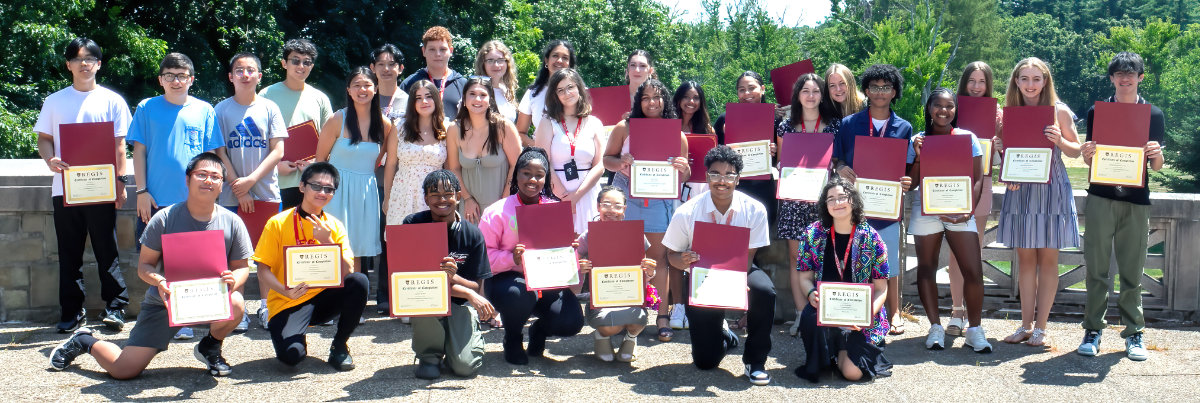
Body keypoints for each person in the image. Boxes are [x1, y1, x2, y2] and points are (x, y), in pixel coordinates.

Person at [50, 153, 252, 379]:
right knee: (123, 370)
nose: (208, 181)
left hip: (210, 299)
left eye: (215, 177)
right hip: (164, 304)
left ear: (222, 184)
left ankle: (211, 347)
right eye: (201, 174)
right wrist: (160, 281)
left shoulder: (232, 221)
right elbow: (144, 266)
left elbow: (242, 267)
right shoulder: (165, 219)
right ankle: (84, 340)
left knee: (236, 302)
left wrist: (234, 280)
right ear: (187, 180)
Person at [35, 38, 132, 333]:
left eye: (90, 58)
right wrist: (50, 159)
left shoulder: (112, 100)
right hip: (65, 188)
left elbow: (120, 147)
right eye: (77, 59)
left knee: (107, 250)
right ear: (69, 65)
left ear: (99, 63)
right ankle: (72, 311)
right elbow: (44, 139)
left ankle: (116, 307)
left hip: (102, 188)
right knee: (69, 253)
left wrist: (121, 183)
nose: (84, 63)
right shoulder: (54, 101)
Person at [128, 52, 225, 341]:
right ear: (161, 80)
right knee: (156, 263)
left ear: (191, 80)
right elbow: (139, 151)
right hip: (156, 200)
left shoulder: (205, 110)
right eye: (169, 75)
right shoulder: (147, 107)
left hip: (195, 202)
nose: (176, 80)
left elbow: (211, 157)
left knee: (192, 261)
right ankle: (163, 318)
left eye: (182, 75)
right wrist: (141, 192)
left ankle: (193, 317)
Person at [663, 145, 776, 386]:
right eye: (715, 174)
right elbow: (671, 256)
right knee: (705, 362)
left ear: (738, 178)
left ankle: (755, 361)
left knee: (764, 291)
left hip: (739, 271)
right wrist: (681, 259)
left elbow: (748, 258)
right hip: (700, 278)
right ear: (706, 177)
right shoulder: (687, 212)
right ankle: (725, 337)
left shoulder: (755, 210)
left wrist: (735, 286)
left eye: (729, 175)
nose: (722, 181)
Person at [1077, 52, 1164, 361]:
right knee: (1097, 270)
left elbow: (1156, 166)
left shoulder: (1153, 114)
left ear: (1141, 77)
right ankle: (1093, 330)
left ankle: (1134, 333)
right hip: (1101, 197)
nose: (1125, 78)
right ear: (1112, 78)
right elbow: (1090, 158)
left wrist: (1155, 153)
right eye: (1118, 73)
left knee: (1132, 272)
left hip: (1136, 201)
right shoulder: (1097, 111)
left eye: (1131, 73)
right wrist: (1088, 153)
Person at [994, 57, 1081, 348]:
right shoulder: (1008, 115)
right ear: (1016, 82)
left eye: (1036, 79)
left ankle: (1042, 327)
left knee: (1048, 259)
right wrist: (1002, 156)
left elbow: (1076, 151)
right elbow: (1004, 158)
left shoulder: (1060, 112)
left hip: (1052, 189)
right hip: (1021, 190)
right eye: (1024, 79)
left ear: (1045, 81)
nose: (1030, 85)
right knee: (1026, 260)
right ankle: (1025, 325)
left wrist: (1059, 140)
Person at [252, 162, 365, 370]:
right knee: (291, 357)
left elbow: (348, 270)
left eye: (328, 189)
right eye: (316, 186)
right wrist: (284, 291)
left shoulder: (334, 225)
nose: (322, 192)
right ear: (302, 186)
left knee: (359, 282)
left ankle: (339, 345)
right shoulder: (277, 223)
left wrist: (328, 243)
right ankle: (296, 336)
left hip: (322, 298)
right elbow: (262, 269)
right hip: (288, 300)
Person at [603, 78, 690, 341]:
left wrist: (681, 167)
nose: (652, 102)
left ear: (665, 100)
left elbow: (685, 175)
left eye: (657, 97)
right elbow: (607, 160)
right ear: (639, 101)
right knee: (625, 257)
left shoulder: (677, 133)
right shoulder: (624, 127)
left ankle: (662, 316)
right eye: (646, 97)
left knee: (658, 259)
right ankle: (626, 313)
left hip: (659, 200)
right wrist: (621, 162)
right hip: (626, 198)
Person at [905, 88, 992, 352]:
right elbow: (911, 183)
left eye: (949, 106)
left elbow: (978, 178)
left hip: (960, 209)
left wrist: (969, 211)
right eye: (938, 105)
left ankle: (975, 329)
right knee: (926, 267)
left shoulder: (968, 138)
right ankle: (935, 327)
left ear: (955, 109)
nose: (944, 111)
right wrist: (919, 155)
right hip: (927, 207)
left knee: (973, 270)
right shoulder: (917, 140)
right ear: (929, 108)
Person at [478, 147, 583, 365]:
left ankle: (539, 331)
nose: (532, 179)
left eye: (539, 175)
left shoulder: (555, 210)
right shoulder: (497, 212)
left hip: (548, 281)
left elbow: (564, 257)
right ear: (516, 174)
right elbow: (484, 257)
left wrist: (569, 249)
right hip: (508, 279)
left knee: (572, 321)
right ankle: (513, 339)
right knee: (519, 294)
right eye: (526, 173)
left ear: (546, 178)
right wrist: (512, 259)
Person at [833, 64, 914, 336]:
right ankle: (852, 311)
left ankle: (894, 313)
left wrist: (906, 180)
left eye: (887, 87)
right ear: (866, 90)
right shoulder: (849, 124)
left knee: (889, 263)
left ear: (895, 92)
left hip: (887, 208)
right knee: (851, 257)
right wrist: (840, 167)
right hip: (853, 206)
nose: (880, 92)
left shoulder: (904, 127)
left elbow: (906, 168)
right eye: (875, 87)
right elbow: (837, 157)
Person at [793, 178, 892, 382]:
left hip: (862, 314)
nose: (837, 203)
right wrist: (811, 294)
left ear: (853, 201)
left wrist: (865, 315)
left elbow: (882, 289)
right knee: (810, 316)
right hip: (826, 309)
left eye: (842, 197)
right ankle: (827, 354)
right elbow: (804, 277)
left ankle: (843, 350)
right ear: (825, 205)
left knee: (852, 374)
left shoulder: (872, 239)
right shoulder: (813, 234)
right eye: (831, 199)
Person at [404, 170, 496, 379]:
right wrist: (451, 282)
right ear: (426, 199)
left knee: (465, 367)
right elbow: (409, 279)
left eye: (448, 193)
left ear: (458, 195)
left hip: (459, 305)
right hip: (426, 298)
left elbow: (475, 286)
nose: (442, 199)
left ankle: (461, 342)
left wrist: (452, 277)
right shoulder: (412, 225)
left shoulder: (472, 233)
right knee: (423, 300)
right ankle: (429, 355)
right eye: (434, 194)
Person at [778, 73, 841, 336]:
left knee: (825, 258)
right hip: (793, 200)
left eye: (816, 91)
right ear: (797, 95)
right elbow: (781, 164)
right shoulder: (785, 127)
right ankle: (801, 314)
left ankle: (825, 314)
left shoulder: (834, 127)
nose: (811, 96)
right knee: (797, 260)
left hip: (823, 202)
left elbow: (838, 163)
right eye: (805, 91)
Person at [316, 67, 397, 271]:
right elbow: (320, 160)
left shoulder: (385, 124)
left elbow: (379, 161)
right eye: (357, 85)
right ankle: (328, 297)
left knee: (357, 250)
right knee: (332, 246)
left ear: (376, 88)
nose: (362, 90)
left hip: (365, 192)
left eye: (367, 85)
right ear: (349, 90)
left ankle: (355, 296)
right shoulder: (337, 119)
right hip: (335, 191)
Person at [944, 61, 1003, 335]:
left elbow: (1002, 158)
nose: (977, 87)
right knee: (956, 252)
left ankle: (972, 312)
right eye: (972, 81)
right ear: (964, 83)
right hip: (953, 184)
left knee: (973, 252)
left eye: (982, 82)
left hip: (983, 184)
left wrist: (1000, 137)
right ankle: (956, 311)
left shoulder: (997, 114)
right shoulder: (950, 108)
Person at [575, 186, 657, 362]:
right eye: (606, 204)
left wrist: (650, 271)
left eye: (617, 206)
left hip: (629, 297)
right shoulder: (588, 236)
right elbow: (570, 267)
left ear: (624, 209)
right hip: (601, 299)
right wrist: (579, 267)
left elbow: (644, 272)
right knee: (610, 325)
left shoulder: (635, 235)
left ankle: (631, 338)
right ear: (598, 206)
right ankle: (602, 336)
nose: (612, 210)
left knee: (638, 320)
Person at [712, 71, 779, 266]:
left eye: (752, 88)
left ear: (762, 89)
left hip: (764, 190)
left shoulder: (775, 119)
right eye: (742, 90)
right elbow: (715, 156)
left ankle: (753, 279)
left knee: (757, 242)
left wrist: (774, 151)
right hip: (735, 189)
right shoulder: (725, 119)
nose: (747, 93)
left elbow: (782, 159)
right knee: (731, 239)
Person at [260, 39, 334, 211]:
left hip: (311, 184)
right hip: (274, 183)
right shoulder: (266, 95)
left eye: (306, 62)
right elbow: (259, 138)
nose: (301, 66)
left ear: (312, 66)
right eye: (295, 60)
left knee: (306, 236)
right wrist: (275, 166)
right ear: (284, 63)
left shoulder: (320, 98)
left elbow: (331, 139)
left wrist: (317, 162)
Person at [534, 68, 607, 234]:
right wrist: (564, 196)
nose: (567, 93)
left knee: (587, 249)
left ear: (579, 88)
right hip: (555, 194)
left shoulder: (594, 123)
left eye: (570, 87)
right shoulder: (547, 122)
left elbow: (600, 165)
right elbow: (542, 163)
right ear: (555, 95)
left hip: (587, 194)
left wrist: (577, 196)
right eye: (560, 90)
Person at [215, 52, 287, 215]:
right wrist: (240, 190)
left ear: (259, 76)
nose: (245, 75)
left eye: (250, 70)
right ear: (231, 77)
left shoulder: (271, 108)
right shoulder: (220, 110)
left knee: (267, 241)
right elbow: (220, 153)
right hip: (230, 197)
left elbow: (278, 151)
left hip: (267, 195)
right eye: (239, 70)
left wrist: (251, 180)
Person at [446, 77, 522, 223]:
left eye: (483, 95)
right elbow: (454, 168)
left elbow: (517, 165)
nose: (477, 99)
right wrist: (467, 199)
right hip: (469, 210)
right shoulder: (454, 129)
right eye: (472, 94)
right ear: (464, 99)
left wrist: (503, 202)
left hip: (503, 207)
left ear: (490, 99)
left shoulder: (503, 126)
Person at [384, 80, 449, 227]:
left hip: (435, 196)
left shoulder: (446, 128)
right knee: (402, 243)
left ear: (436, 99)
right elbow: (391, 164)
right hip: (403, 195)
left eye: (428, 96)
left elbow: (450, 168)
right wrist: (387, 198)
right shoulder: (399, 127)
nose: (424, 101)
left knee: (432, 243)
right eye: (418, 98)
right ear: (412, 102)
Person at [400, 26, 467, 120]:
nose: (438, 54)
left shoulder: (463, 85)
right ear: (424, 51)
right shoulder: (409, 84)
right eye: (432, 49)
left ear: (451, 51)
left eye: (442, 49)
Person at [515, 39, 576, 143]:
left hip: (575, 156)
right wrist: (540, 149)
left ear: (569, 64)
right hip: (542, 157)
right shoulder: (533, 93)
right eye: (555, 56)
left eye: (565, 58)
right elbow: (520, 133)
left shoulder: (579, 92)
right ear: (547, 60)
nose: (559, 61)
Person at [674, 80, 715, 202]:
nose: (691, 101)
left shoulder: (707, 129)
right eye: (686, 97)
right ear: (679, 99)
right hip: (672, 180)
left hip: (698, 184)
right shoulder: (667, 124)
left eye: (696, 98)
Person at [474, 40, 519, 122]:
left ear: (507, 63)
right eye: (490, 60)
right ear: (483, 64)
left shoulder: (507, 91)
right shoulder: (475, 91)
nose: (496, 65)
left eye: (500, 60)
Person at [370, 43, 408, 122]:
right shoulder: (366, 98)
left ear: (401, 68)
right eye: (381, 64)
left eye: (391, 64)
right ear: (372, 68)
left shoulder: (409, 101)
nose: (386, 69)